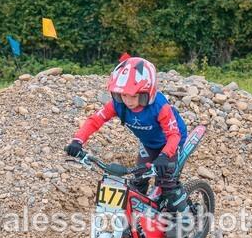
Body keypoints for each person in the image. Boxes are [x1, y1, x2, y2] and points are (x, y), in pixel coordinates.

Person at [65, 57, 189, 219]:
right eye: (123, 95)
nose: (128, 100)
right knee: (138, 180)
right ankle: (139, 218)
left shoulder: (160, 106)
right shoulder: (118, 104)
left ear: (147, 93)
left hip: (171, 142)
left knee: (166, 181)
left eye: (134, 96)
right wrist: (77, 141)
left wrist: (164, 156)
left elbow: (174, 134)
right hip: (149, 144)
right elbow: (95, 120)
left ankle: (185, 218)